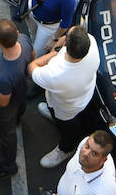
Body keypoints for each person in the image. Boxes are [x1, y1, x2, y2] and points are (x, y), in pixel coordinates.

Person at [29, 25, 101, 168]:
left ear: (66, 44)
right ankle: (54, 117)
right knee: (75, 118)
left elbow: (32, 67)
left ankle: (66, 149)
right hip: (84, 95)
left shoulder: (55, 73)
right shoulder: (91, 43)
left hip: (65, 109)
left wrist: (54, 51)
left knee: (67, 127)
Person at [0, 18, 33, 182]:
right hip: (21, 89)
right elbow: (32, 56)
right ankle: (18, 120)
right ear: (17, 34)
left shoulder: (3, 75)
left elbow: (2, 101)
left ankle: (6, 167)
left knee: (7, 136)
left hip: (7, 107)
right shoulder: (24, 40)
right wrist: (1, 42)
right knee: (20, 108)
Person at [52, 132, 116, 195]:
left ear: (103, 160)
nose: (86, 154)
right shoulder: (86, 142)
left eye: (94, 153)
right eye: (87, 146)